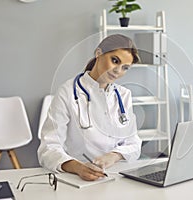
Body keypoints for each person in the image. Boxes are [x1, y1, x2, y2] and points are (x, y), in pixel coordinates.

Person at [38, 34, 142, 181]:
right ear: (99, 54)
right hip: (76, 178)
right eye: (114, 61)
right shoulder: (67, 92)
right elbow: (48, 148)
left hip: (114, 175)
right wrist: (77, 167)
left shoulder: (124, 95)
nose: (118, 71)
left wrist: (114, 156)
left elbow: (134, 143)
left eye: (125, 67)